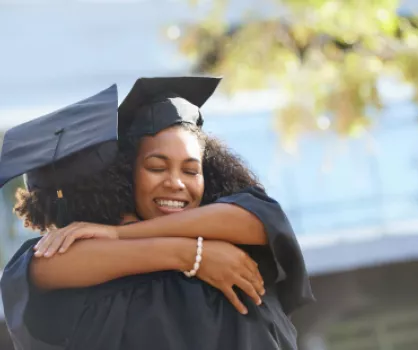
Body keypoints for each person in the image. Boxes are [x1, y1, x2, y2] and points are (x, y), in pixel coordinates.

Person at [32, 77, 315, 349]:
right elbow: (43, 267)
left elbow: (257, 220)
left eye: (192, 170)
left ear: (210, 174)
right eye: (156, 167)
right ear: (126, 176)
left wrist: (122, 234)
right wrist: (194, 255)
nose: (175, 183)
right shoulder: (94, 269)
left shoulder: (240, 238)